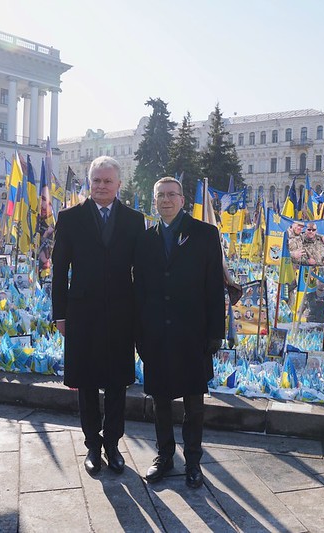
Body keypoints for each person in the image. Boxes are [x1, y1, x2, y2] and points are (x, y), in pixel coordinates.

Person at [51, 156, 145, 476]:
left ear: (119, 184)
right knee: (87, 381)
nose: (102, 186)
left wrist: (142, 314)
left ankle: (113, 445)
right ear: (89, 184)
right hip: (82, 313)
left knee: (118, 382)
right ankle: (92, 444)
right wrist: (59, 315)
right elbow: (59, 269)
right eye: (97, 181)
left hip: (122, 312)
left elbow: (141, 273)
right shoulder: (70, 218)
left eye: (108, 181)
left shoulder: (134, 220)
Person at [134, 176, 225, 489]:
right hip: (157, 334)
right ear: (155, 201)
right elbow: (140, 289)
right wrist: (139, 333)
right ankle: (164, 456)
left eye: (172, 195)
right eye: (160, 195)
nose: (166, 200)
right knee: (160, 402)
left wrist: (216, 333)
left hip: (192, 334)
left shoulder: (205, 234)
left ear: (183, 199)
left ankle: (194, 462)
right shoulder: (146, 239)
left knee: (193, 404)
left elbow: (214, 287)